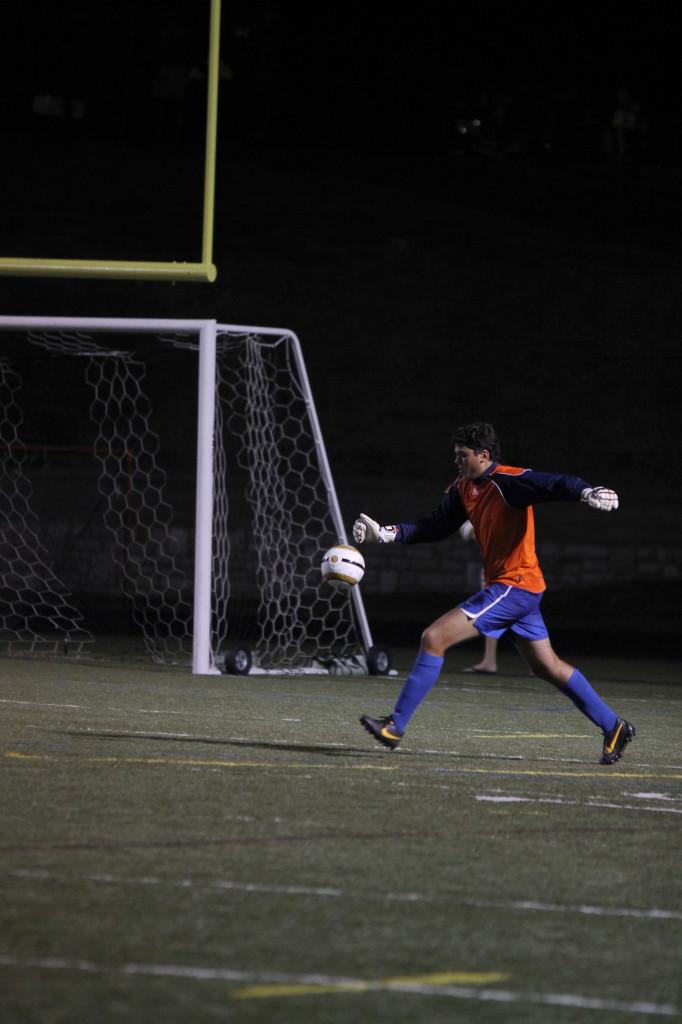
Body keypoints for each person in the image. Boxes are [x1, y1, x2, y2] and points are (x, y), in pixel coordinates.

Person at [354, 422, 635, 765]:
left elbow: (553, 483)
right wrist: (386, 533)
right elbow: (435, 525)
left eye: (462, 455)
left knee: (434, 637)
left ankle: (394, 726)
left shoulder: (508, 482)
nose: (456, 460)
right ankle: (614, 726)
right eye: (455, 454)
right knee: (548, 667)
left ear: (483, 456)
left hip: (513, 586)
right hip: (519, 589)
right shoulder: (464, 487)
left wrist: (586, 492)